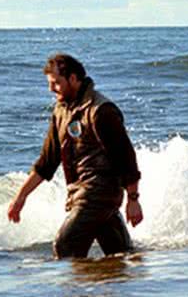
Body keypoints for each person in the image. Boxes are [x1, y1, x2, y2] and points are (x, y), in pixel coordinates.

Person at [7, 53, 143, 258]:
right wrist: (21, 197)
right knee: (120, 254)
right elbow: (47, 161)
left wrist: (133, 199)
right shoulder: (61, 111)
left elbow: (126, 158)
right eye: (50, 83)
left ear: (73, 79)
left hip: (99, 194)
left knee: (65, 246)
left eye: (56, 83)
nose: (51, 89)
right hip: (81, 194)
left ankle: (77, 291)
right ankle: (127, 286)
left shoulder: (100, 111)